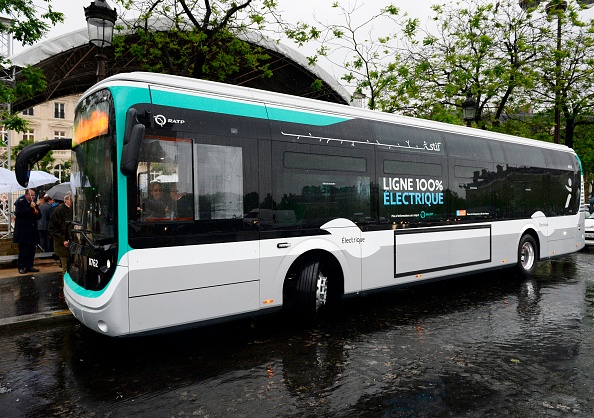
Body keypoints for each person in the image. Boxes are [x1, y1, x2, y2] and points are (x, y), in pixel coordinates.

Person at [13, 188, 42, 274]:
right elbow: (20, 214)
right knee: (23, 250)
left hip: (32, 231)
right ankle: (21, 266)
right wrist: (30, 207)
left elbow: (39, 216)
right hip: (23, 232)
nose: (33, 197)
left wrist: (36, 212)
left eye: (34, 195)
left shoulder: (34, 204)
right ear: (26, 195)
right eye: (31, 195)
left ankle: (30, 265)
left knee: (31, 250)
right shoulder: (20, 202)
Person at [48, 192, 73, 276]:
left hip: (73, 244)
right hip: (63, 245)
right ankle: (64, 287)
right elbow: (52, 229)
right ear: (66, 199)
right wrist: (63, 240)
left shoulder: (75, 209)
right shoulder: (58, 211)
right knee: (66, 269)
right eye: (71, 198)